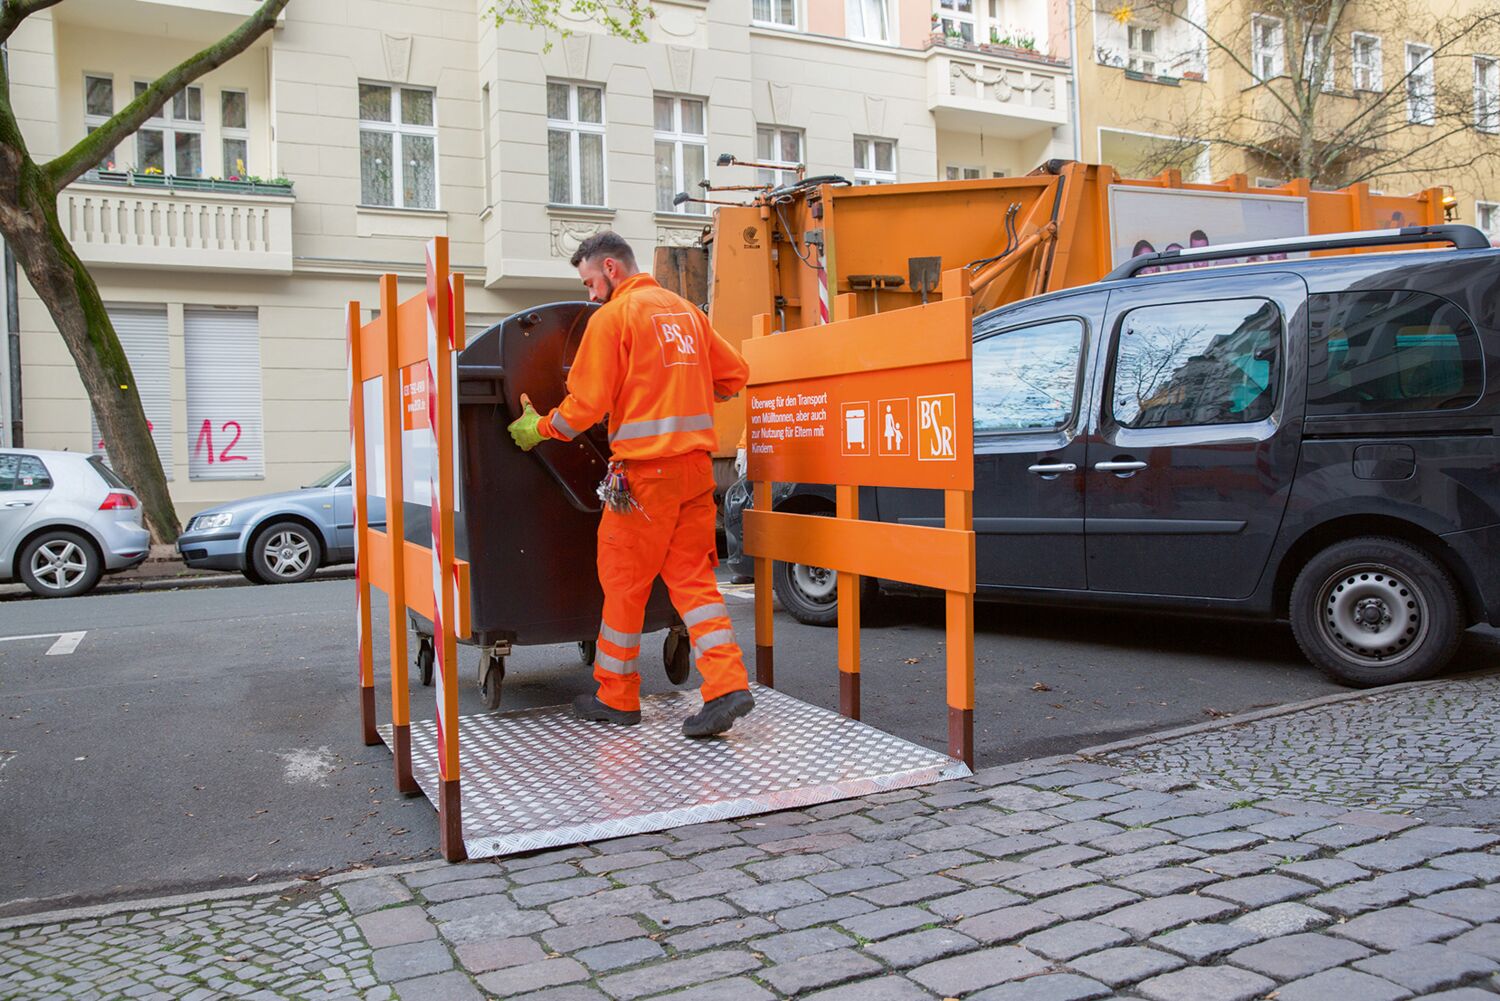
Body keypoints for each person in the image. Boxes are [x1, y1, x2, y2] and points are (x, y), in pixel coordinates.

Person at [506, 231, 756, 738]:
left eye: (589, 282)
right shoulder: (686, 311)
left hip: (643, 478)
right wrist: (678, 389)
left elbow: (585, 407)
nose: (588, 294)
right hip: (694, 472)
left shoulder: (614, 317)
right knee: (694, 583)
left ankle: (615, 696)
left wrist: (539, 428)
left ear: (611, 270)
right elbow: (734, 376)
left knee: (623, 582)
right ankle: (727, 686)